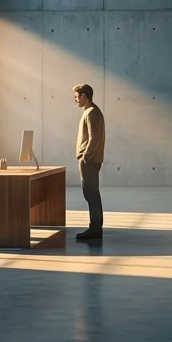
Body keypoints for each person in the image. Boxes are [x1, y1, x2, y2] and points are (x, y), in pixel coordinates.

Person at [73, 83, 106, 242]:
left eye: (77, 97)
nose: (76, 100)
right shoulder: (90, 111)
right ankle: (95, 227)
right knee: (91, 193)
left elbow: (94, 137)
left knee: (91, 193)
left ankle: (95, 228)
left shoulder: (92, 112)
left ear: (85, 96)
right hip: (90, 159)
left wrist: (86, 156)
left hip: (89, 160)